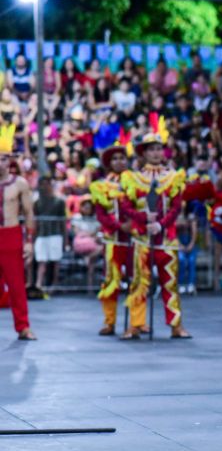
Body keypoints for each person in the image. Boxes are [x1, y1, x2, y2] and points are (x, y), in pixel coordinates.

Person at [120, 120, 191, 340]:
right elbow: (125, 205)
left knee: (170, 282)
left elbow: (177, 205)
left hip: (166, 239)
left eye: (159, 148)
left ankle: (176, 325)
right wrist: (143, 218)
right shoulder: (133, 178)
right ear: (143, 153)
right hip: (142, 238)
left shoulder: (173, 177)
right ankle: (136, 324)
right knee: (139, 282)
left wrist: (161, 223)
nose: (156, 153)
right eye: (151, 149)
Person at [90, 143, 133, 336]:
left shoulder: (137, 181)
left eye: (122, 158)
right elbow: (101, 214)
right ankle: (109, 321)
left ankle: (136, 322)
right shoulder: (101, 185)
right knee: (111, 281)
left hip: (135, 241)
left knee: (137, 281)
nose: (119, 161)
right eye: (114, 159)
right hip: (113, 241)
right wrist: (119, 226)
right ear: (109, 163)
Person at [0, 124, 35, 339]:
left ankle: (23, 327)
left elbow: (29, 213)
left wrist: (29, 241)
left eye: (4, 158)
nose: (1, 162)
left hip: (11, 236)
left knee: (17, 285)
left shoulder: (20, 184)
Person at [33, 177, 67, 292]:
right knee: (41, 261)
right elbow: (35, 221)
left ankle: (55, 283)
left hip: (55, 234)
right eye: (42, 184)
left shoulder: (59, 202)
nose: (44, 187)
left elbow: (63, 221)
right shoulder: (37, 203)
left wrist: (65, 239)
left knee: (56, 260)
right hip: (41, 234)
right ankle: (39, 284)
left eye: (46, 184)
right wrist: (33, 237)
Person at [71, 199, 103, 290]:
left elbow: (96, 231)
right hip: (81, 243)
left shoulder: (95, 219)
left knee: (93, 260)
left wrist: (87, 234)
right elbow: (77, 232)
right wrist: (90, 234)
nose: (87, 209)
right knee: (98, 250)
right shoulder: (76, 217)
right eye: (85, 207)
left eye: (89, 207)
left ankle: (90, 285)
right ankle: (88, 258)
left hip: (93, 244)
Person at [176, 203, 198, 295]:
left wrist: (191, 245)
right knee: (181, 260)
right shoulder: (175, 216)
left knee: (191, 260)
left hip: (189, 242)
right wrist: (179, 245)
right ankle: (180, 284)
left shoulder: (191, 217)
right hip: (179, 243)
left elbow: (194, 232)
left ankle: (191, 284)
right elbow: (174, 233)